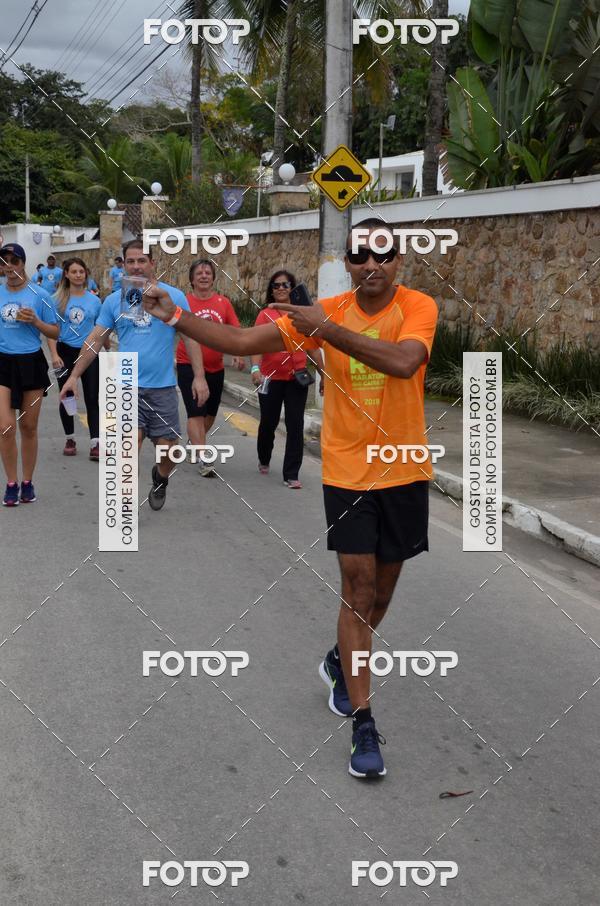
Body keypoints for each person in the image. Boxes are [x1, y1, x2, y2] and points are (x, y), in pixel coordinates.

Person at [143, 218, 438, 778]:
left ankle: (339, 660)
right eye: (359, 256)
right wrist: (177, 317)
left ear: (399, 260)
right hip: (349, 471)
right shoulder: (324, 310)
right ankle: (364, 724)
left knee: (380, 595)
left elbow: (403, 362)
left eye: (382, 254)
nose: (370, 265)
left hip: (403, 471)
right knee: (358, 589)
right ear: (348, 262)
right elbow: (238, 341)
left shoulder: (417, 306)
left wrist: (325, 329)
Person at [59, 239, 208, 511]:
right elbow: (94, 340)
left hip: (162, 387)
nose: (136, 266)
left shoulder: (173, 297)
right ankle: (126, 505)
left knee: (169, 450)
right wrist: (73, 376)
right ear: (124, 265)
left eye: (142, 260)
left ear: (152, 263)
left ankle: (160, 478)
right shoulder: (115, 301)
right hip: (126, 386)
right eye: (131, 261)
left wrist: (199, 376)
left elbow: (190, 337)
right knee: (129, 444)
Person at [251, 270, 324, 489]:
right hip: (270, 379)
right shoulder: (265, 315)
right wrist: (255, 369)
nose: (281, 289)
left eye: (285, 285)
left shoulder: (302, 316)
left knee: (295, 425)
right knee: (268, 423)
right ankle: (264, 458)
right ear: (271, 291)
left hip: (296, 378)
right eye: (276, 286)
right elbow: (254, 344)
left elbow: (312, 348)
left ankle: (291, 474)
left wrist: (324, 374)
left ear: (292, 288)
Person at [0, 243, 59, 506]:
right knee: (5, 427)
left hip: (31, 363)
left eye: (14, 260)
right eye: (3, 262)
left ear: (23, 263)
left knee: (29, 426)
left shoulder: (40, 294)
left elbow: (56, 332)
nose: (9, 267)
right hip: (3, 363)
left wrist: (35, 321)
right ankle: (11, 484)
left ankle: (27, 481)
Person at [176, 259, 244, 477]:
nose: (204, 276)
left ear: (213, 278)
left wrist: (237, 354)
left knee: (209, 415)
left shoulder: (223, 303)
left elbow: (235, 331)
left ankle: (195, 442)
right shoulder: (184, 303)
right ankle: (205, 459)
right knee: (195, 413)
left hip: (216, 368)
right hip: (188, 366)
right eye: (199, 273)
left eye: (208, 273)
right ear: (192, 279)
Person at [47, 257, 109, 460]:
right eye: (73, 272)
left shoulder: (94, 300)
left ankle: (95, 443)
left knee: (93, 397)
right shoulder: (57, 299)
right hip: (65, 351)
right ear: (66, 274)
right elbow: (51, 332)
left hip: (89, 352)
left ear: (86, 274)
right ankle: (70, 438)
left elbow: (102, 328)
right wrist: (54, 355)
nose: (78, 275)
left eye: (81, 272)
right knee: (68, 397)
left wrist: (107, 348)